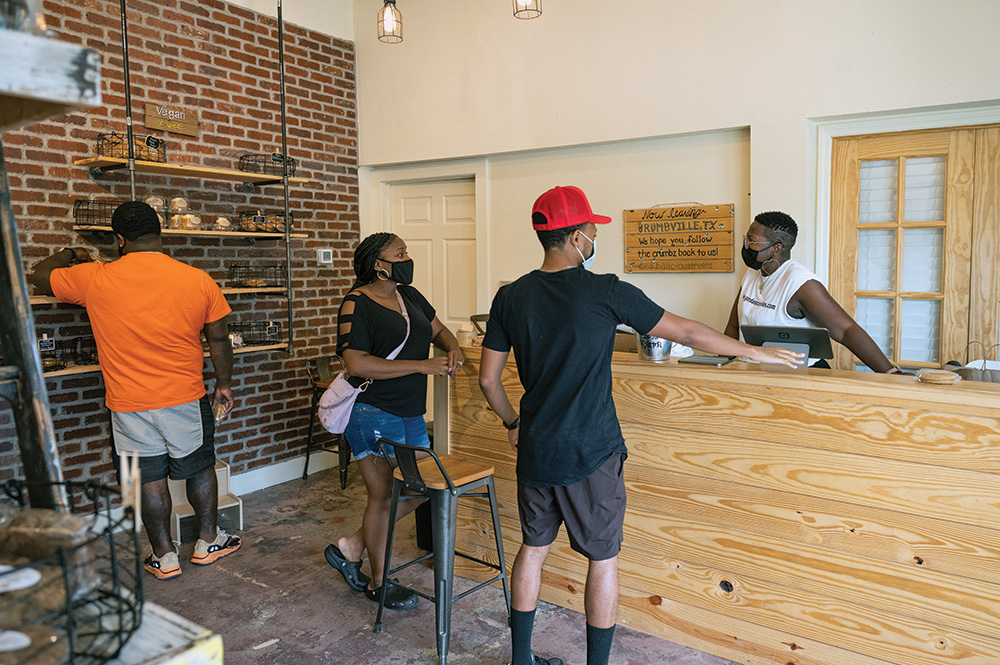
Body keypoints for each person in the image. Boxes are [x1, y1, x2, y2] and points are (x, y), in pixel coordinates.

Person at [477, 186, 801, 665]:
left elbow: (488, 380)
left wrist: (512, 421)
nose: (594, 237)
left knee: (533, 548)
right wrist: (756, 351)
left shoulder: (509, 297)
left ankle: (521, 659)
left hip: (537, 448)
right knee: (603, 559)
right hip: (591, 449)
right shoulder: (605, 290)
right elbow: (687, 332)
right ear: (573, 237)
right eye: (591, 230)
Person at [31, 201, 240, 581]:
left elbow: (40, 275)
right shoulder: (196, 278)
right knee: (199, 468)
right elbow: (219, 336)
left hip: (128, 404)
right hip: (185, 397)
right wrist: (223, 384)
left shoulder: (94, 277)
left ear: (120, 239)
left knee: (148, 479)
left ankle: (164, 557)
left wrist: (71, 254)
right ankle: (208, 542)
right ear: (159, 234)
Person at [323, 232, 464, 611]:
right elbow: (355, 363)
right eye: (399, 253)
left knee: (418, 489)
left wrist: (453, 349)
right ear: (378, 264)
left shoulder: (409, 296)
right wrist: (423, 365)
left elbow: (439, 330)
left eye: (406, 252)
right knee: (384, 496)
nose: (407, 258)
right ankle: (378, 582)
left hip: (410, 411)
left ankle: (352, 546)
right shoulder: (356, 303)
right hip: (372, 412)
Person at [724, 211, 901, 373]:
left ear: (776, 248)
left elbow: (846, 330)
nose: (746, 245)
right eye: (746, 239)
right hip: (750, 371)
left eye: (752, 241)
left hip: (793, 375)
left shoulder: (801, 283)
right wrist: (722, 366)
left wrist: (890, 372)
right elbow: (734, 325)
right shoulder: (751, 275)